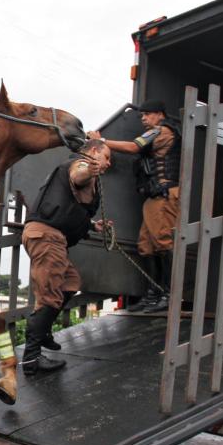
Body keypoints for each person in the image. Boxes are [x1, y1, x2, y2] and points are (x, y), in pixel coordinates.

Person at [21, 138, 112, 375]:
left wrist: (93, 225)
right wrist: (90, 168)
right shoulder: (80, 164)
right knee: (49, 295)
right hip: (47, 237)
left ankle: (44, 332)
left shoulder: (82, 168)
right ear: (94, 151)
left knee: (71, 283)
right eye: (107, 157)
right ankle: (31, 359)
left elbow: (69, 205)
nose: (109, 163)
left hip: (53, 238)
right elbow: (78, 174)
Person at [88, 99, 180, 313]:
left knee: (162, 242)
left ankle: (167, 293)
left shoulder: (162, 130)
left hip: (164, 196)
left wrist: (102, 141)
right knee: (146, 244)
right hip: (154, 197)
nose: (143, 119)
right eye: (141, 115)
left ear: (159, 114)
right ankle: (153, 293)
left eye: (146, 115)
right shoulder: (156, 131)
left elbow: (133, 147)